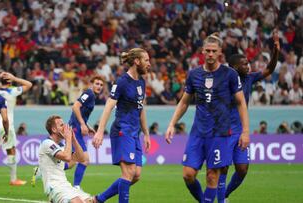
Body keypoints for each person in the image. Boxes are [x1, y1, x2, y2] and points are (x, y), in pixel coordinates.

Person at [165, 33, 250, 203]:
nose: (210, 54)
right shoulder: (194, 74)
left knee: (212, 176)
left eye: (214, 51)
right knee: (188, 175)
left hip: (220, 133)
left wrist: (245, 131)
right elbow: (184, 102)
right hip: (198, 132)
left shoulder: (230, 74)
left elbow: (241, 103)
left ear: (220, 52)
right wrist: (172, 124)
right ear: (202, 51)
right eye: (208, 51)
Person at [217, 30, 280, 203]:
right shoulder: (224, 79)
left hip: (241, 131)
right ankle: (221, 200)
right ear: (235, 67)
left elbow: (269, 69)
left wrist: (276, 51)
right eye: (244, 64)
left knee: (242, 169)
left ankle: (226, 194)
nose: (248, 66)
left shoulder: (249, 79)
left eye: (248, 63)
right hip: (225, 130)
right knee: (223, 168)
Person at [92, 48, 151, 203]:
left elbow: (141, 108)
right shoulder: (122, 81)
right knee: (129, 172)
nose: (149, 64)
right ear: (137, 61)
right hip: (122, 131)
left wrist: (146, 133)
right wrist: (99, 131)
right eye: (146, 60)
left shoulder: (141, 82)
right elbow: (109, 105)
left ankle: (99, 199)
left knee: (136, 175)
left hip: (134, 133)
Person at [39, 115, 95, 203]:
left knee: (91, 201)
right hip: (54, 187)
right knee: (78, 202)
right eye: (61, 125)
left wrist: (74, 139)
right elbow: (67, 157)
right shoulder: (47, 143)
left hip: (65, 185)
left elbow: (81, 158)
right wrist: (68, 138)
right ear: (53, 129)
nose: (65, 127)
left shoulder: (61, 146)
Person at [69, 75, 105, 190]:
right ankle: (76, 187)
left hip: (75, 128)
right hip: (75, 129)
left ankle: (44, 169)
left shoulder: (91, 96)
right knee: (84, 159)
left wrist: (87, 126)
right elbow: (75, 107)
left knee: (72, 161)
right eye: (97, 83)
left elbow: (80, 112)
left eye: (101, 85)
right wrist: (82, 124)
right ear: (91, 84)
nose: (99, 86)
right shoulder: (89, 93)